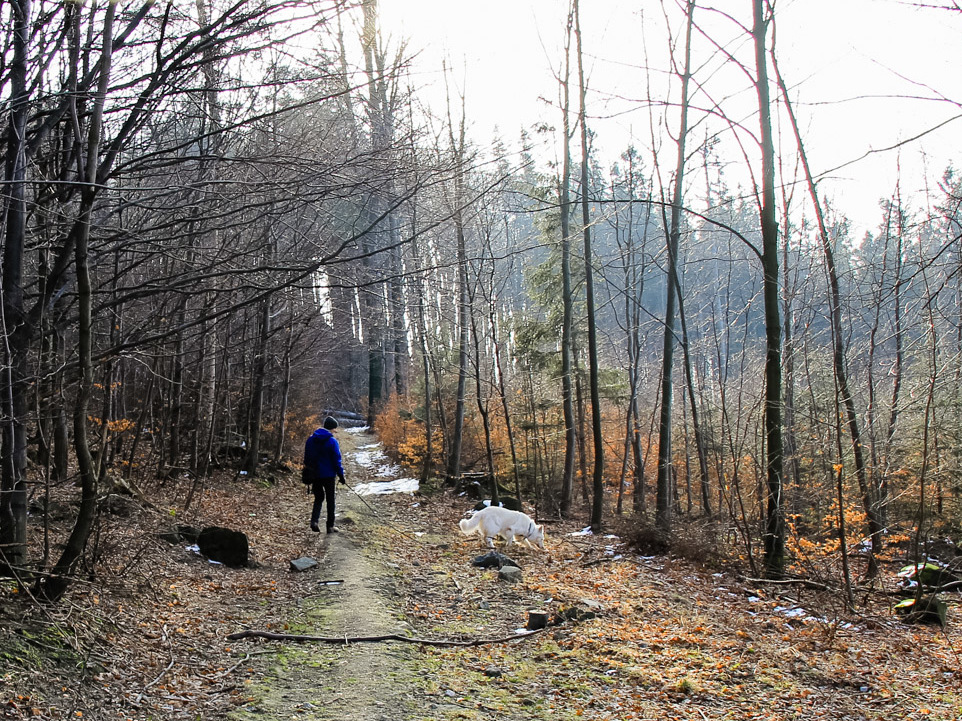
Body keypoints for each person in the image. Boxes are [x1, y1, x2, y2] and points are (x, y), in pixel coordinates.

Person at [302, 416, 346, 533]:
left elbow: (307, 458)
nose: (335, 431)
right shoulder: (332, 441)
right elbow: (337, 460)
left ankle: (314, 521)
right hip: (329, 475)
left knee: (319, 498)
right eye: (334, 429)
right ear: (331, 428)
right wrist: (341, 475)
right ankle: (330, 526)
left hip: (315, 475)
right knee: (330, 500)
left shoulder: (311, 439)